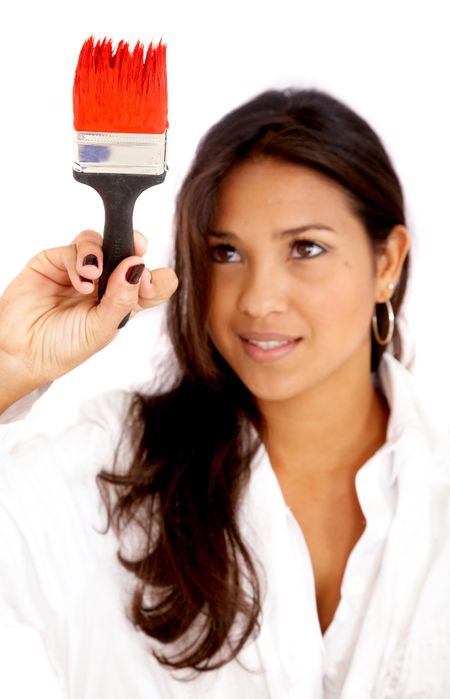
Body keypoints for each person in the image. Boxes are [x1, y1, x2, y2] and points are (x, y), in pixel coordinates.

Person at [0, 88, 449, 699]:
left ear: (387, 263)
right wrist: (11, 362)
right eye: (226, 252)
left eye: (306, 248)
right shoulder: (108, 474)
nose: (258, 300)